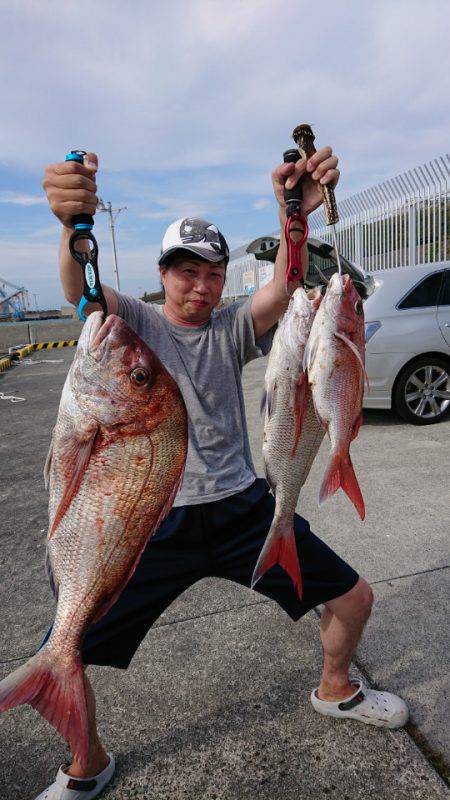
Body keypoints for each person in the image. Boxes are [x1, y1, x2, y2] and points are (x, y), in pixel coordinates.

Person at [39, 150, 408, 799]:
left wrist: (293, 214)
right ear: (164, 275)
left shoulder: (233, 327)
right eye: (187, 272)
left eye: (212, 273)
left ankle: (336, 686)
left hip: (243, 506)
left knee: (355, 599)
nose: (202, 286)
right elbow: (82, 290)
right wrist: (74, 223)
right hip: (152, 518)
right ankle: (86, 762)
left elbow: (282, 289)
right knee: (59, 655)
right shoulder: (138, 322)